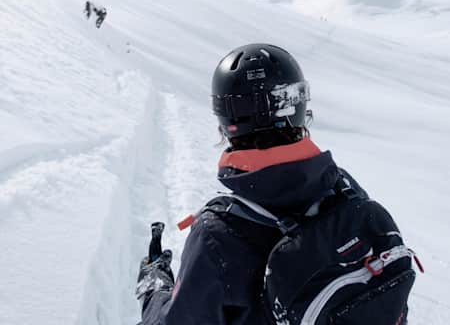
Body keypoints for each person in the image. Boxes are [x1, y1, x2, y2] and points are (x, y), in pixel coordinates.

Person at [136, 44, 416, 325]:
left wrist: (154, 288)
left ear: (226, 120)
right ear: (298, 106)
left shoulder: (218, 235)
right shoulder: (342, 188)